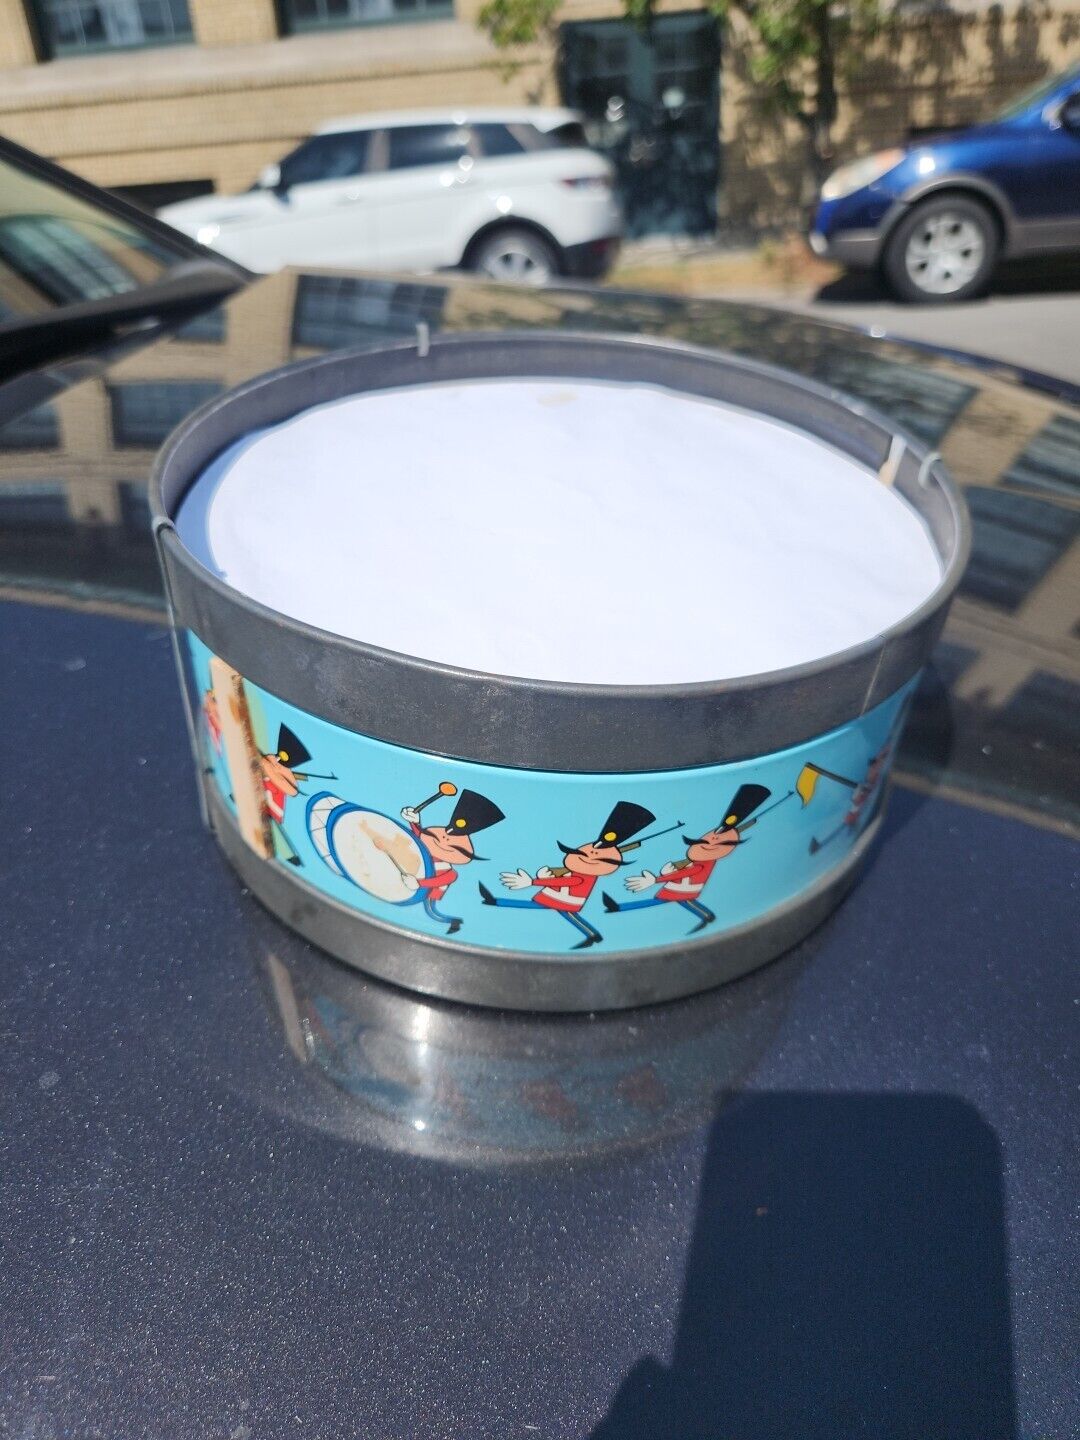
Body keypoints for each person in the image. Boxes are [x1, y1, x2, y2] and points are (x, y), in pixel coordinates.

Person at [479, 801, 656, 950]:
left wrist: (533, 881)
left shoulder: (584, 876)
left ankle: (593, 935)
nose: (588, 856)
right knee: (540, 906)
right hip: (560, 897)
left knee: (566, 915)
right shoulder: (578, 870)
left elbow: (570, 881)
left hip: (567, 900)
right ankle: (496, 901)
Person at [602, 784, 771, 934]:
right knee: (668, 902)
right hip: (681, 889)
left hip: (684, 889)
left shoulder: (703, 863)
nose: (707, 842)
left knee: (667, 901)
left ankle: (707, 916)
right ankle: (707, 916)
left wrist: (656, 880)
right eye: (704, 840)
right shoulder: (698, 860)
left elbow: (685, 873)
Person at [399, 788, 505, 935]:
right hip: (413, 880)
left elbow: (443, 879)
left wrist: (419, 883)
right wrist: (414, 822)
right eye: (437, 838)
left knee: (430, 911)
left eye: (452, 846)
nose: (442, 841)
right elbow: (422, 838)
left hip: (428, 890)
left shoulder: (448, 871)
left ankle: (453, 922)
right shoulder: (426, 849)